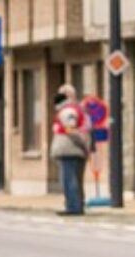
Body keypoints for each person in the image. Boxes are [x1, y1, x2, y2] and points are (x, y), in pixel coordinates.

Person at [50, 84, 90, 216]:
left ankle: (73, 206)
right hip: (75, 150)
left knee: (69, 180)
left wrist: (81, 143)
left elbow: (70, 129)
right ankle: (77, 205)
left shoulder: (68, 110)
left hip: (69, 149)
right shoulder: (77, 109)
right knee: (76, 180)